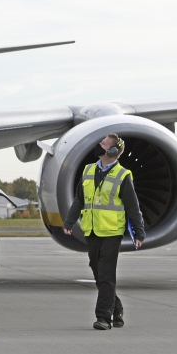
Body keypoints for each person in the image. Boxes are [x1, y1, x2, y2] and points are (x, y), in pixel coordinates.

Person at [63, 133, 145, 330]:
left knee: (106, 274)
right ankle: (116, 308)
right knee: (97, 271)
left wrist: (139, 232)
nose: (99, 145)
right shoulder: (88, 170)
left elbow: (132, 207)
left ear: (113, 150)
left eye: (103, 143)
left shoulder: (123, 175)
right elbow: (79, 200)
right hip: (91, 230)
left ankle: (103, 318)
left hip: (111, 231)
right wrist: (69, 221)